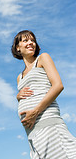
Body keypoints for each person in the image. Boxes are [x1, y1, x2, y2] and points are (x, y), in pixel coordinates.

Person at [11, 30, 76, 159]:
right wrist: (17, 97)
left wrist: (35, 112)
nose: (31, 43)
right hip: (33, 134)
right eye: (26, 40)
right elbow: (29, 94)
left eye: (33, 40)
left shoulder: (42, 58)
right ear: (18, 48)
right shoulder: (19, 77)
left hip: (50, 126)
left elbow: (58, 86)